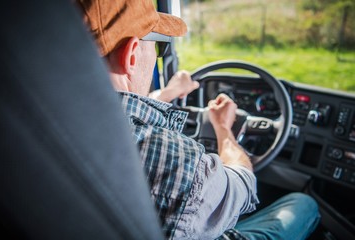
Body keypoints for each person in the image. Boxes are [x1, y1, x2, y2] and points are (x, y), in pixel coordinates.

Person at [75, 0, 320, 239]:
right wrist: (224, 128)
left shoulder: (59, 125)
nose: (157, 56)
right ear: (132, 55)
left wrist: (168, 92)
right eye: (160, 46)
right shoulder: (175, 162)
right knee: (303, 204)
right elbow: (243, 186)